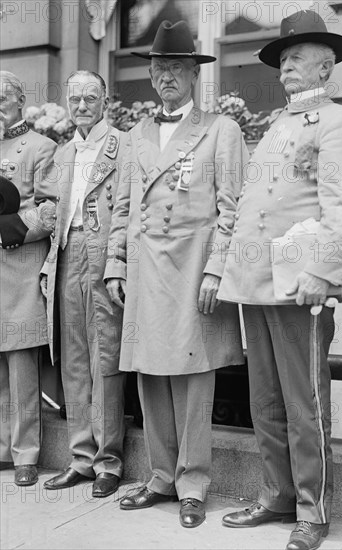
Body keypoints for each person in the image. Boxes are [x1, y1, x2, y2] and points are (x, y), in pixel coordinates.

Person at [218, 10, 342, 550]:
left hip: (298, 285)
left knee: (307, 403)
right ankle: (277, 493)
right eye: (283, 60)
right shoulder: (279, 123)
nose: (285, 69)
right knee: (266, 399)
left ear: (326, 68)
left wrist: (322, 273)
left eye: (296, 59)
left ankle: (313, 508)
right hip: (254, 281)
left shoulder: (340, 123)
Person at [104, 20, 247, 528]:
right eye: (158, 68)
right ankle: (161, 477)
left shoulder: (220, 130)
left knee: (192, 379)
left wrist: (216, 270)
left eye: (176, 68)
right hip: (144, 272)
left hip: (191, 270)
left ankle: (193, 484)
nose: (165, 77)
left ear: (193, 75)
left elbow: (233, 208)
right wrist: (115, 265)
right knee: (149, 376)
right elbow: (122, 209)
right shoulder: (136, 134)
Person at [41, 71, 128, 498]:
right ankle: (80, 457)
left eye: (90, 98)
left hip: (102, 252)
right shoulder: (61, 153)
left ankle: (108, 461)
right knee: (72, 356)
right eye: (74, 99)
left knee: (104, 355)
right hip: (66, 254)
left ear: (105, 99)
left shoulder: (123, 146)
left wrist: (118, 260)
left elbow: (128, 208)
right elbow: (49, 208)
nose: (81, 106)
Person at [0, 71, 57, 486]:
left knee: (21, 369)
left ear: (21, 101)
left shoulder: (42, 146)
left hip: (19, 266)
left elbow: (51, 208)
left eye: (4, 97)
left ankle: (25, 455)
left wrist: (11, 229)